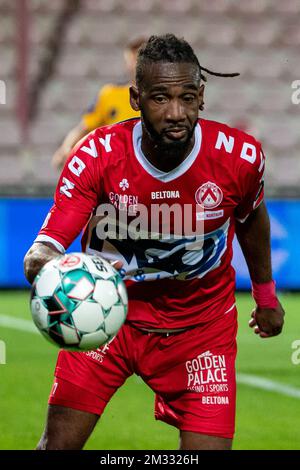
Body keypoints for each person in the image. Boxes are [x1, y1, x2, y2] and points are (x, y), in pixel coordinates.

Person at [24, 34, 285, 450]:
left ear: (201, 97)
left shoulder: (239, 158)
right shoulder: (96, 155)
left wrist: (266, 296)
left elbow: (251, 218)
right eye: (160, 98)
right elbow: (44, 248)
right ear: (135, 99)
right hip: (107, 324)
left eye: (187, 97)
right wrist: (58, 269)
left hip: (202, 330)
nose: (176, 112)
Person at [51, 37, 145, 170]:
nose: (135, 65)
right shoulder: (110, 93)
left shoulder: (163, 97)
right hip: (116, 169)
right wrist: (66, 148)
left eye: (139, 60)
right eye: (131, 60)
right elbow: (84, 128)